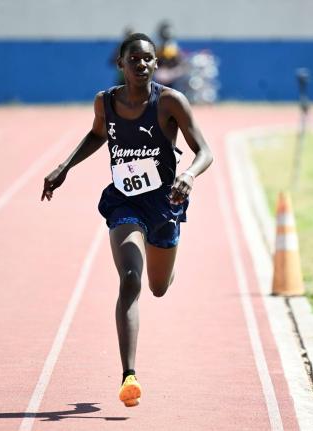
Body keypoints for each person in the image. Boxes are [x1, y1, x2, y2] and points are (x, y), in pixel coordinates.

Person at [41, 32, 213, 407]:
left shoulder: (171, 102)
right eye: (133, 58)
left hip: (165, 203)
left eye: (147, 58)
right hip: (125, 202)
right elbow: (97, 134)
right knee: (130, 279)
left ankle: (165, 263)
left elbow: (204, 151)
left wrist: (188, 174)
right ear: (121, 64)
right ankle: (129, 376)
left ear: (155, 64)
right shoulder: (105, 102)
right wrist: (64, 166)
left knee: (158, 287)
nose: (141, 64)